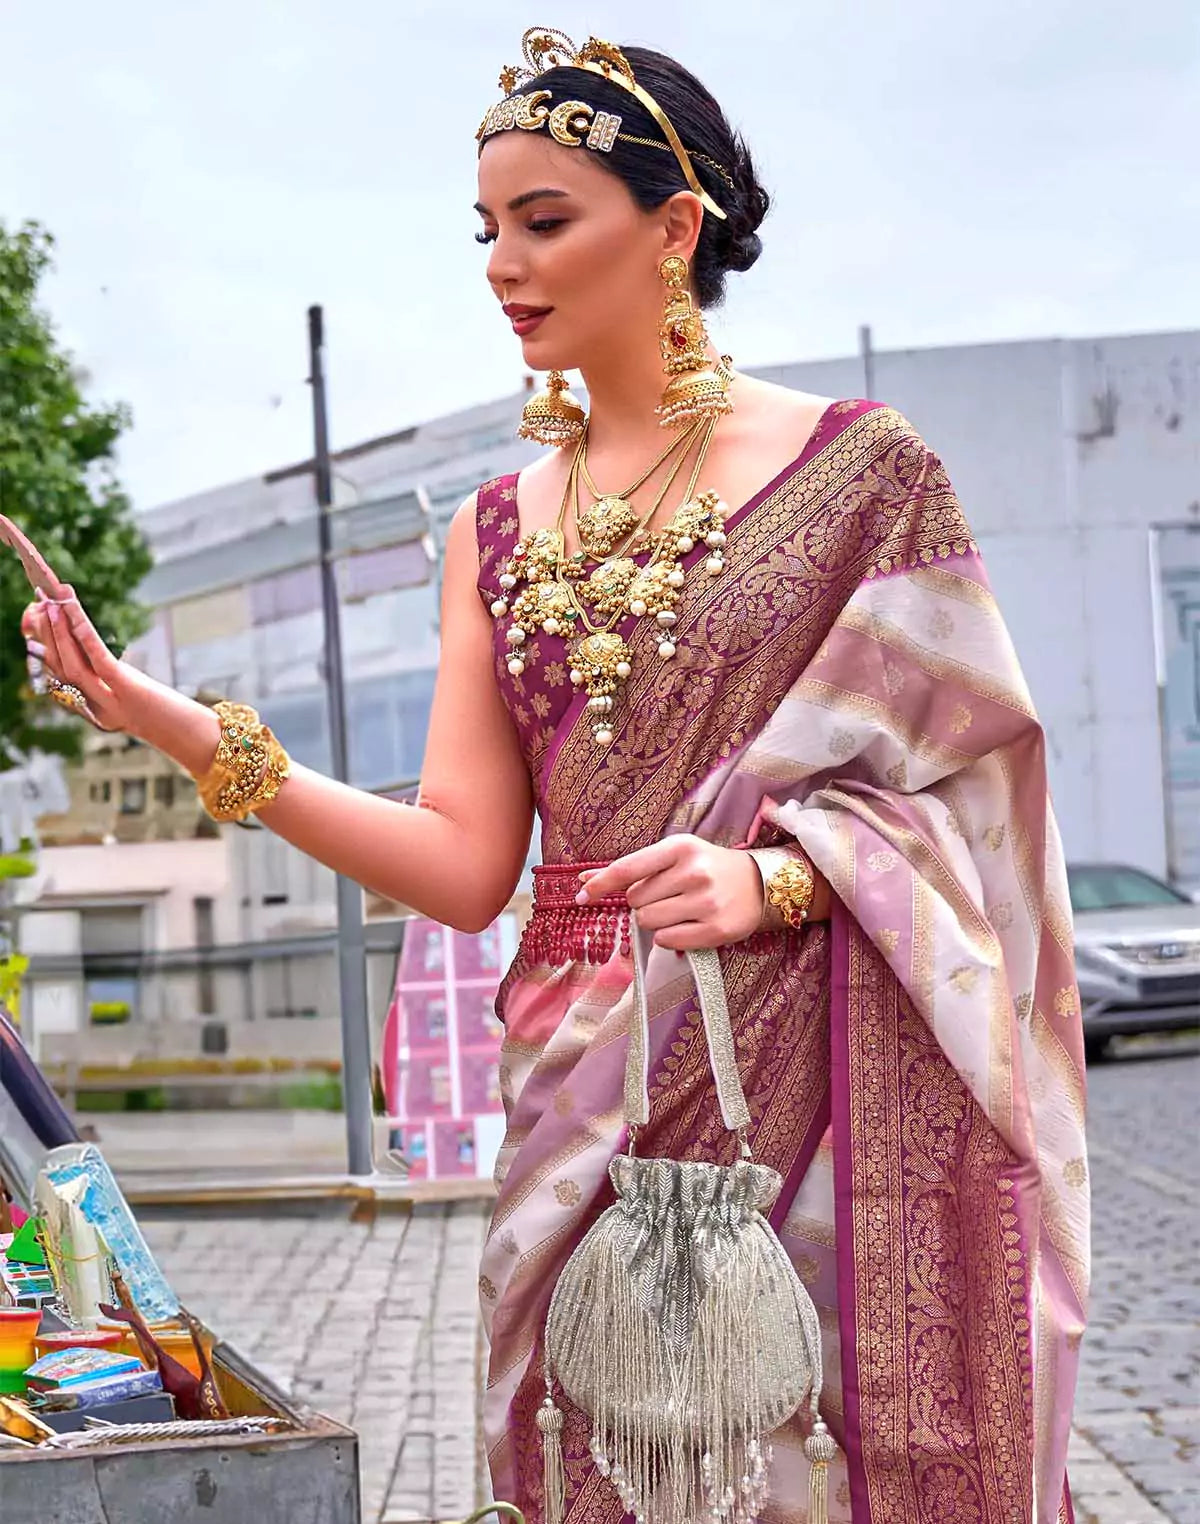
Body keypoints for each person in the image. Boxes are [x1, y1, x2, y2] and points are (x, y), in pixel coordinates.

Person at [15, 26, 1089, 1524]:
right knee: (587, 1456)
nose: (503, 266)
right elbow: (466, 868)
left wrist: (778, 880)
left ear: (673, 226)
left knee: (809, 1459)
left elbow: (979, 801)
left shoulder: (863, 476)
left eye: (543, 220)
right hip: (580, 1081)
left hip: (808, 1070)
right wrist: (171, 722)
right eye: (486, 231)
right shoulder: (495, 529)